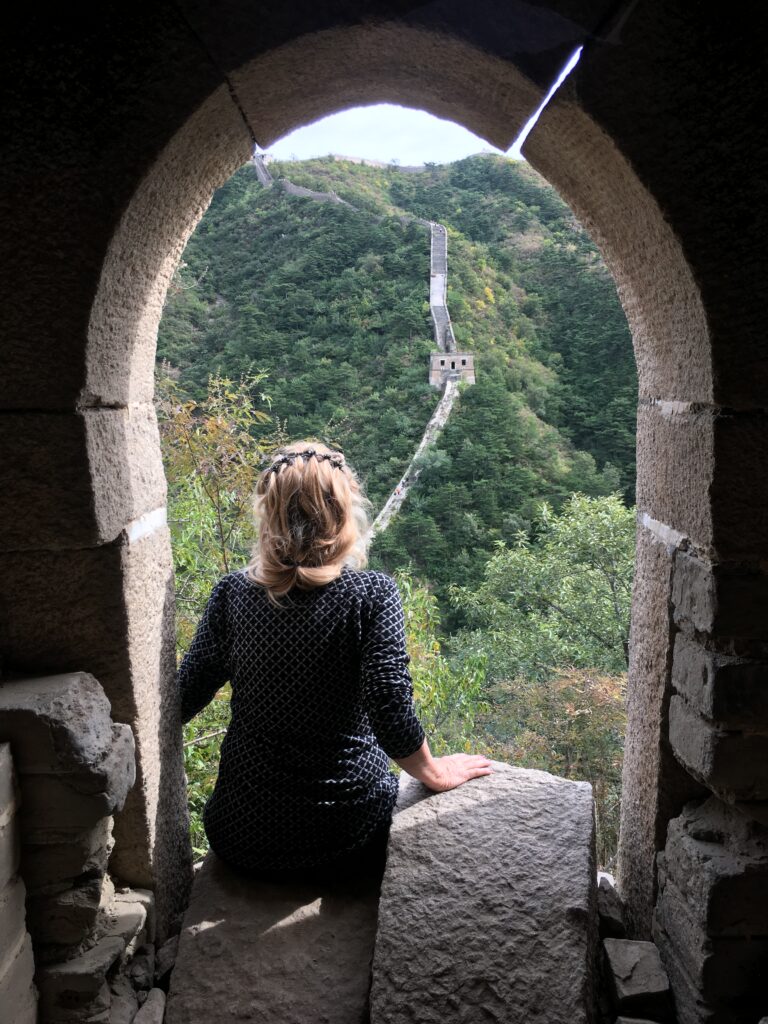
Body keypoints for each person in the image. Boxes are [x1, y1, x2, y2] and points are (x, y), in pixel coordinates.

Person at [177, 441, 492, 879]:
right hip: (346, 835)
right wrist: (434, 773)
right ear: (343, 513)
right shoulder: (371, 595)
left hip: (241, 835)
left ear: (268, 514)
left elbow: (180, 700)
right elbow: (389, 707)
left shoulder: (232, 594)